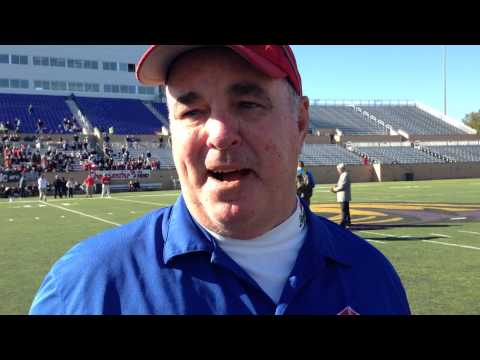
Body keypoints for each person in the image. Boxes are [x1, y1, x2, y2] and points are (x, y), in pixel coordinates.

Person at [30, 45, 410, 315]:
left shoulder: (371, 276)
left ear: (300, 122)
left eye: (248, 104)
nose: (219, 133)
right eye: (192, 111)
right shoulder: (86, 288)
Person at [330, 163, 352, 228]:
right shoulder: (343, 175)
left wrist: (334, 189)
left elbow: (342, 186)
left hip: (343, 196)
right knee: (346, 209)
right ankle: (348, 221)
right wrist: (336, 186)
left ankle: (343, 222)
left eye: (338, 169)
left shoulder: (344, 175)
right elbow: (340, 184)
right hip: (343, 195)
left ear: (340, 169)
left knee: (344, 209)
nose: (338, 170)